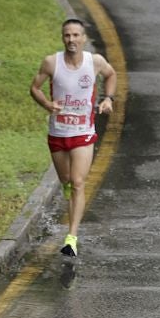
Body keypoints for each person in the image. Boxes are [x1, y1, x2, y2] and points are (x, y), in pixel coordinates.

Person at [30, 17, 117, 257]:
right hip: (58, 133)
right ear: (62, 38)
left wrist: (108, 99)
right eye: (67, 35)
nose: (71, 40)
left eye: (76, 35)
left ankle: (72, 237)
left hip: (83, 133)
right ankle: (68, 190)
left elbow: (111, 75)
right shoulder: (51, 62)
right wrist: (48, 105)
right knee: (66, 180)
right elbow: (34, 88)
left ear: (83, 38)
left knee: (79, 182)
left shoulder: (95, 62)